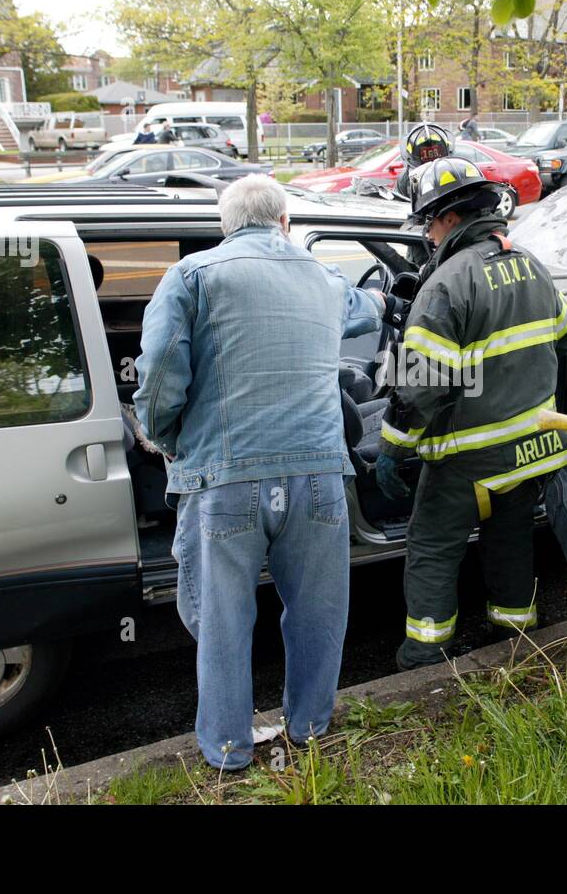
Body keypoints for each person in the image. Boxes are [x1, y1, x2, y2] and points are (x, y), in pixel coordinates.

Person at [134, 175, 398, 771]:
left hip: (226, 479)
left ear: (225, 226)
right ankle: (308, 728)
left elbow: (158, 374)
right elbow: (361, 309)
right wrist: (387, 299)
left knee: (224, 621)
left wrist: (168, 439)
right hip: (318, 477)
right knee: (318, 611)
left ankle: (228, 751)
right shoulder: (322, 277)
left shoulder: (193, 276)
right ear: (285, 222)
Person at [376, 156, 567, 671]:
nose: (426, 232)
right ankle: (515, 640)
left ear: (448, 218)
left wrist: (391, 449)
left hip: (467, 459)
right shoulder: (532, 266)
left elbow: (419, 384)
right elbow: (565, 346)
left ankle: (426, 653)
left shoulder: (447, 283)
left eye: (428, 221)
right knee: (511, 542)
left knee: (431, 548)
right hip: (530, 449)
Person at [394, 123, 452, 199]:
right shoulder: (406, 179)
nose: (432, 159)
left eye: (434, 152)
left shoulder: (452, 171)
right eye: (426, 153)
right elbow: (399, 205)